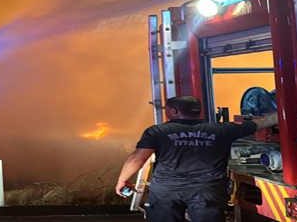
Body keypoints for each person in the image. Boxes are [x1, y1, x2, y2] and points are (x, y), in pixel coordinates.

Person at [115, 95, 278, 222]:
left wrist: (123, 180)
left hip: (166, 192)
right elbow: (262, 123)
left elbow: (137, 158)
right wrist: (290, 108)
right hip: (207, 191)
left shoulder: (157, 131)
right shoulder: (222, 130)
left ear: (174, 111)